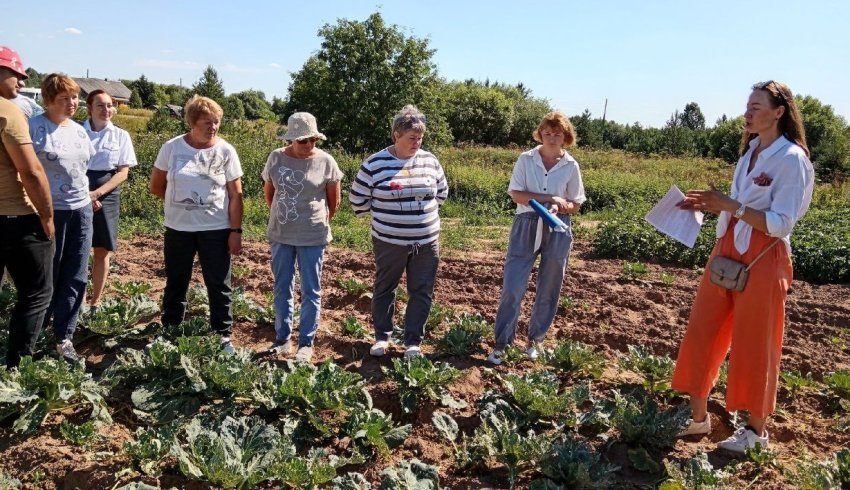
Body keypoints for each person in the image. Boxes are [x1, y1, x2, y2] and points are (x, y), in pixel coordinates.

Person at [672, 81, 814, 454]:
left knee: (756, 341)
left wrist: (730, 206)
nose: (747, 113)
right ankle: (698, 416)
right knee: (704, 329)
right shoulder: (750, 151)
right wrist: (709, 204)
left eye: (756, 106)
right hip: (727, 247)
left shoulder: (792, 159)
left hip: (764, 255)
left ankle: (756, 432)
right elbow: (737, 204)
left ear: (779, 111)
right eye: (747, 106)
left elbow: (782, 222)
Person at [349, 105, 448, 358]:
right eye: (411, 138)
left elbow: (441, 193)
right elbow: (358, 200)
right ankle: (382, 337)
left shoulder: (430, 160)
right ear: (396, 135)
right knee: (385, 287)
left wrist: (419, 218)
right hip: (389, 242)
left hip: (426, 243)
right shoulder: (375, 163)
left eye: (420, 138)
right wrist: (390, 217)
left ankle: (413, 341)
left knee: (422, 290)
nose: (417, 143)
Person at [487, 111, 586, 365]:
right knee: (513, 285)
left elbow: (575, 204)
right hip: (527, 223)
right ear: (540, 133)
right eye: (547, 133)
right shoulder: (526, 159)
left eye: (557, 134)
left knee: (549, 286)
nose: (552, 138)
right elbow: (517, 195)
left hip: (557, 226)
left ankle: (535, 340)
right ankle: (502, 343)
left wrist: (559, 206)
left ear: (566, 137)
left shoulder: (570, 165)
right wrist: (548, 199)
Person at [149, 95, 243, 354]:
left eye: (216, 122)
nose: (213, 127)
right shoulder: (172, 148)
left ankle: (222, 335)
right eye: (206, 122)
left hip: (215, 228)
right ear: (192, 122)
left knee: (218, 282)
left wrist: (235, 231)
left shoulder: (225, 151)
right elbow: (157, 186)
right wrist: (184, 205)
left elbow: (236, 194)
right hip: (179, 228)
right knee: (176, 280)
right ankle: (170, 331)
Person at [262, 112, 342, 363]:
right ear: (291, 139)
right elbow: (269, 194)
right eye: (302, 141)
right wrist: (285, 217)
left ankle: (306, 343)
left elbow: (334, 201)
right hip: (281, 233)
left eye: (312, 141)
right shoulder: (276, 158)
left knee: (310, 289)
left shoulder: (326, 162)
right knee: (282, 287)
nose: (308, 145)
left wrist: (315, 221)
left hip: (312, 234)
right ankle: (283, 339)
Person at [29, 73, 96, 363]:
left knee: (76, 273)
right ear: (48, 100)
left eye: (75, 97)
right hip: (47, 210)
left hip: (80, 209)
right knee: (47, 274)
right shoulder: (35, 128)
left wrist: (88, 197)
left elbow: (83, 168)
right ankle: (36, 331)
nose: (72, 103)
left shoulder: (79, 131)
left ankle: (64, 337)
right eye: (64, 98)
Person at [0, 46, 55, 368]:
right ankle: (18, 369)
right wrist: (46, 216)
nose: (21, 83)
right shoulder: (7, 113)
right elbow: (31, 172)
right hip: (15, 218)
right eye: (15, 75)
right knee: (35, 294)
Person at [83, 90, 137, 310]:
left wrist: (97, 194)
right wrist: (85, 193)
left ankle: (95, 300)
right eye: (101, 106)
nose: (107, 110)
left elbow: (122, 172)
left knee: (101, 248)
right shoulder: (77, 131)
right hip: (77, 190)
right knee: (75, 247)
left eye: (110, 105)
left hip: (107, 194)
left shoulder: (120, 136)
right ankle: (73, 300)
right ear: (89, 108)